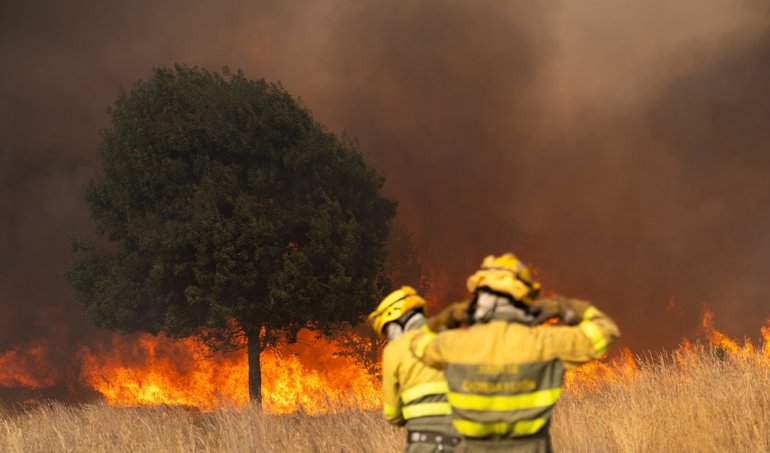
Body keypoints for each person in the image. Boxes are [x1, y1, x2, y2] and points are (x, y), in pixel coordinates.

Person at [410, 253, 620, 452]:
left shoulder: (456, 345)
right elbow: (606, 331)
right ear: (523, 298)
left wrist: (452, 315)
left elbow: (417, 342)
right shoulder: (546, 344)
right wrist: (561, 307)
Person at [368, 286, 462, 452]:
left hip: (425, 444)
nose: (389, 338)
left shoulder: (395, 349)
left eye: (388, 331)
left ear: (397, 319)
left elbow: (392, 413)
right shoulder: (451, 336)